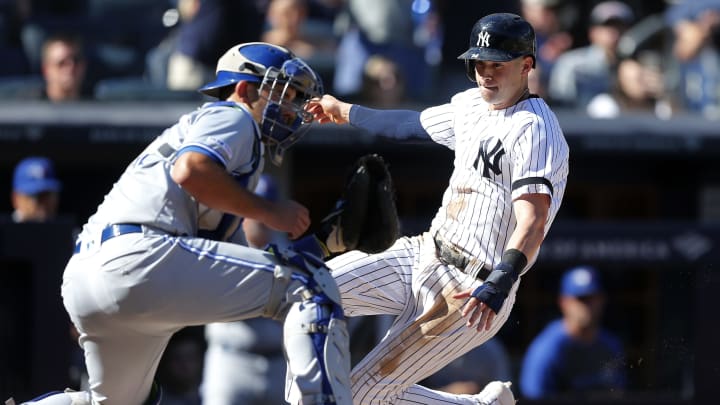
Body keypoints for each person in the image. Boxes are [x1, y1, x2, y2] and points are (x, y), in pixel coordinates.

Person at [6, 42, 354, 405]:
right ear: (243, 88)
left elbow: (233, 264)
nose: (292, 109)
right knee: (307, 283)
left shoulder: (218, 138)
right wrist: (270, 211)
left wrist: (322, 245)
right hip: (141, 257)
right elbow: (191, 170)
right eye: (284, 93)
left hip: (93, 272)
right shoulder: (235, 117)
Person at [307, 12, 569, 405]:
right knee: (307, 290)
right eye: (479, 63)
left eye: (497, 64)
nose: (486, 74)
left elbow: (532, 222)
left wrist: (499, 282)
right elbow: (411, 125)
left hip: (470, 290)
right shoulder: (470, 105)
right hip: (424, 252)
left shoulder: (535, 130)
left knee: (361, 396)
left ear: (527, 65)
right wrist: (344, 111)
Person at [200, 174, 288, 405]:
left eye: (267, 208)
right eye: (255, 208)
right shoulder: (222, 245)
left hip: (279, 362)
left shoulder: (288, 251)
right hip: (232, 360)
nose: (261, 218)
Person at [519, 265, 627, 399]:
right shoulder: (547, 349)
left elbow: (620, 394)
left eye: (591, 298)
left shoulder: (611, 345)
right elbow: (533, 398)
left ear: (602, 300)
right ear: (563, 302)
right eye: (580, 299)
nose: (587, 306)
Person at [548, 1, 635, 109]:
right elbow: (561, 106)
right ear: (592, 32)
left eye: (620, 27)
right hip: (580, 124)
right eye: (607, 27)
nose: (615, 34)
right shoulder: (572, 64)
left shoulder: (637, 67)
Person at [10, 156, 62, 223]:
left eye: (47, 195)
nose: (42, 204)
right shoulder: (3, 231)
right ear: (16, 199)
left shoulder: (71, 231)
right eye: (34, 195)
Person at [39, 33, 89, 101]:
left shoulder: (100, 106)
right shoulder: (28, 107)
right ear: (46, 69)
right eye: (61, 63)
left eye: (76, 61)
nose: (71, 67)